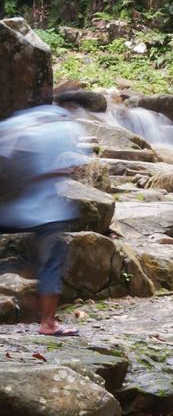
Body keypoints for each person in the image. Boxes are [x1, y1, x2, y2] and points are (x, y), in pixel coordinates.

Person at [0, 104, 89, 336]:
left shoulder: (20, 122)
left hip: (13, 208)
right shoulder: (63, 128)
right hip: (46, 211)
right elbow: (73, 163)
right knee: (51, 262)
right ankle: (48, 323)